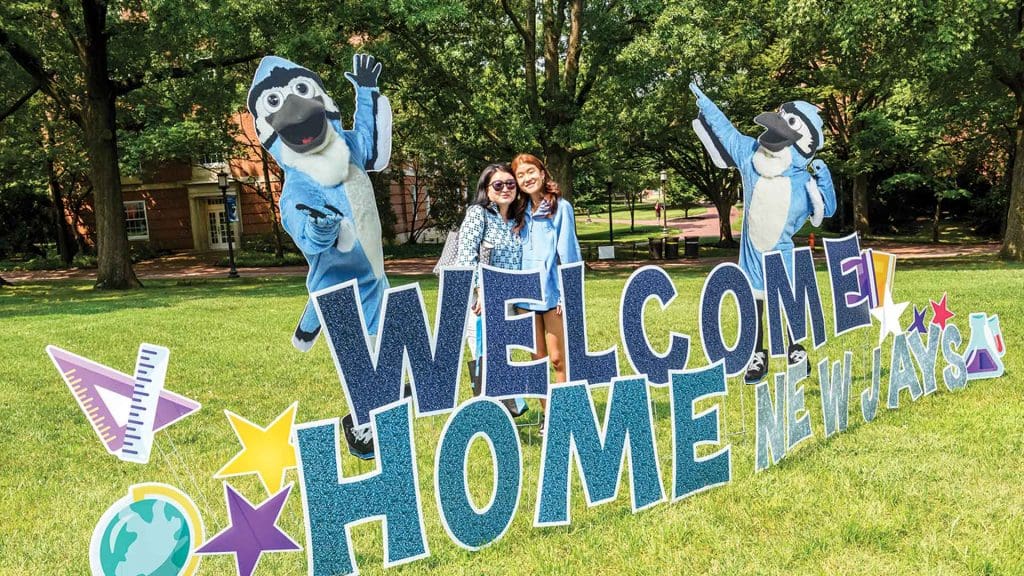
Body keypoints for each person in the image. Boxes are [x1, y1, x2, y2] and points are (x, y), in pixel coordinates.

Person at [512, 153, 582, 434]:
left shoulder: (560, 208)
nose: (527, 178)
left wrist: (569, 294)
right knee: (536, 361)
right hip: (524, 298)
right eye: (520, 175)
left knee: (557, 358)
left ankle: (565, 415)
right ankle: (548, 417)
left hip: (553, 295)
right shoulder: (515, 212)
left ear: (542, 173)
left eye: (531, 171)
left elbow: (569, 253)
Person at [455, 163, 528, 415]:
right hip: (481, 300)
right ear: (487, 189)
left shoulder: (519, 219)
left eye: (510, 184)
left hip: (508, 301)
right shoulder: (479, 213)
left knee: (501, 359)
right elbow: (465, 257)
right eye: (498, 184)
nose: (506, 188)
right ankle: (501, 411)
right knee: (486, 357)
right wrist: (481, 290)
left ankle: (502, 411)